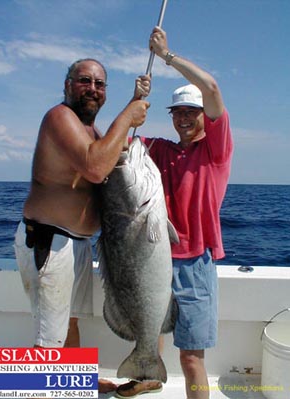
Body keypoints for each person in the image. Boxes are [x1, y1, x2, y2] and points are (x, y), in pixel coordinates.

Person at [14, 58, 150, 394]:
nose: (92, 89)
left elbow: (109, 157)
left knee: (69, 324)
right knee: (49, 343)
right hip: (51, 242)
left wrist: (133, 104)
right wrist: (128, 114)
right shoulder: (58, 118)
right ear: (67, 84)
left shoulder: (91, 131)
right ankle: (40, 388)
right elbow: (94, 166)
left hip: (77, 244)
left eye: (100, 84)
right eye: (84, 80)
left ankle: (76, 385)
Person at [115, 27, 233, 399]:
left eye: (191, 113)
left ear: (204, 116)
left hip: (196, 263)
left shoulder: (216, 149)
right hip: (153, 254)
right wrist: (135, 101)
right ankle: (146, 377)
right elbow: (118, 144)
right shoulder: (160, 151)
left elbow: (212, 90)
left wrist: (167, 57)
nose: (184, 119)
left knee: (191, 359)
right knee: (150, 333)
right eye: (178, 112)